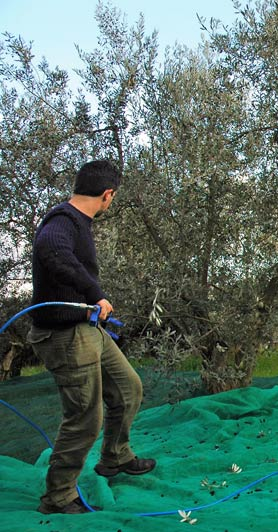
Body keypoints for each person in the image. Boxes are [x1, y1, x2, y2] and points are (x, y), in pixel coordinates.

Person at [27, 160, 156, 515]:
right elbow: (51, 252)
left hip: (87, 328)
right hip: (64, 334)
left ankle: (115, 457)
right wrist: (94, 292)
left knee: (128, 389)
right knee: (84, 416)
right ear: (107, 195)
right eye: (112, 198)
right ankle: (58, 496)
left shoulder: (77, 222)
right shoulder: (63, 221)